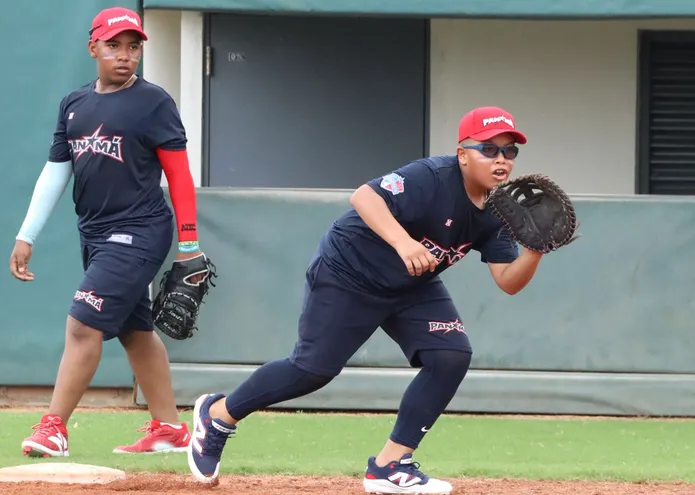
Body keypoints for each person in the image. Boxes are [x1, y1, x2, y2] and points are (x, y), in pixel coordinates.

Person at [187, 106, 543, 494]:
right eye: (488, 150)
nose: (501, 160)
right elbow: (364, 197)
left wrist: (536, 251)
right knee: (312, 369)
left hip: (411, 284)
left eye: (510, 152)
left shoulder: (498, 210)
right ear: (462, 154)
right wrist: (404, 242)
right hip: (349, 271)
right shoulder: (432, 176)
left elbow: (507, 281)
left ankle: (390, 466)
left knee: (451, 355)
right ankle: (218, 415)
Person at [9, 6, 204, 457]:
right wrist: (27, 234)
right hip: (94, 233)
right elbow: (56, 172)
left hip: (140, 229)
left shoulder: (153, 102)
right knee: (135, 330)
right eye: (114, 45)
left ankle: (53, 426)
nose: (125, 55)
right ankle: (170, 429)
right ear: (93, 47)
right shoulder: (75, 104)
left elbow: (178, 176)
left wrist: (189, 244)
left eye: (133, 47)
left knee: (82, 322)